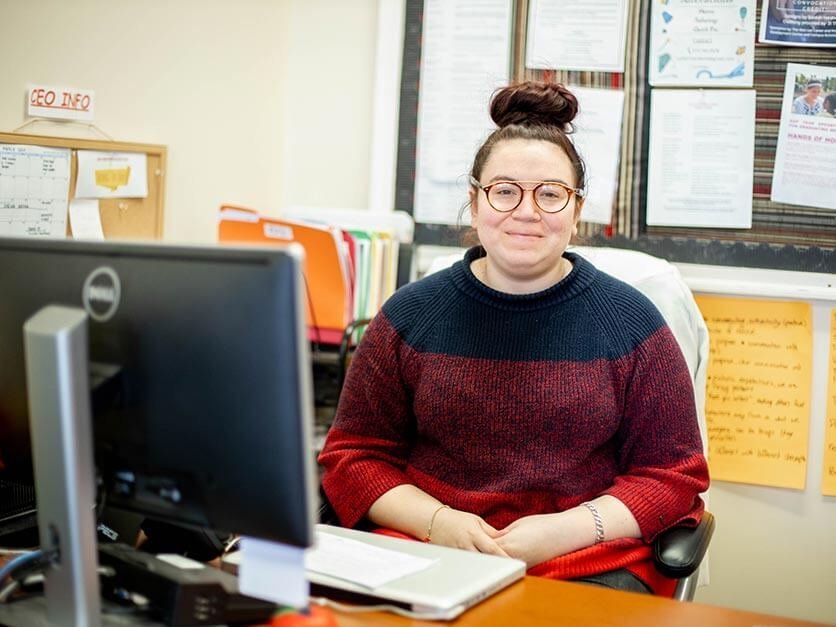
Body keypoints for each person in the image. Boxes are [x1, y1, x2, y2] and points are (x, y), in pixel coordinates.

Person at [318, 81, 709, 596]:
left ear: (576, 212)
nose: (526, 211)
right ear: (475, 202)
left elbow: (671, 477)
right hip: (424, 553)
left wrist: (562, 531)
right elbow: (353, 456)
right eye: (504, 191)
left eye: (550, 194)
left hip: (583, 567)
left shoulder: (633, 323)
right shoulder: (408, 316)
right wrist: (440, 523)